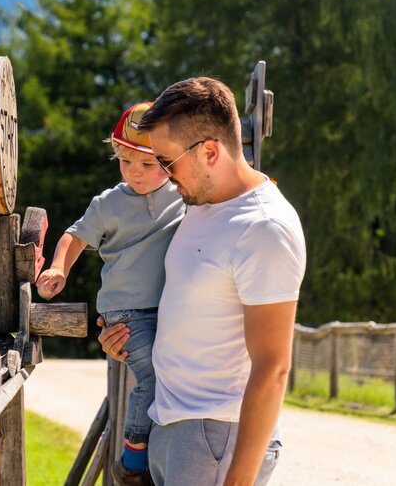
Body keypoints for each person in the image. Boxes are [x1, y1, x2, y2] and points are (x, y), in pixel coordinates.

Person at [98, 77, 306, 486]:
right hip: (172, 423)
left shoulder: (263, 228)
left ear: (210, 151)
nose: (163, 175)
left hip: (215, 440)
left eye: (167, 162)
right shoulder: (203, 201)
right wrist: (133, 338)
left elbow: (273, 367)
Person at [36, 102, 185, 485]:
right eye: (125, 162)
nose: (134, 173)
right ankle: (133, 459)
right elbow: (74, 237)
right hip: (127, 313)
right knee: (153, 376)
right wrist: (58, 267)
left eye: (147, 165)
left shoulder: (184, 194)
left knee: (177, 374)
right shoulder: (109, 203)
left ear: (168, 161)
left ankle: (164, 455)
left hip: (170, 309)